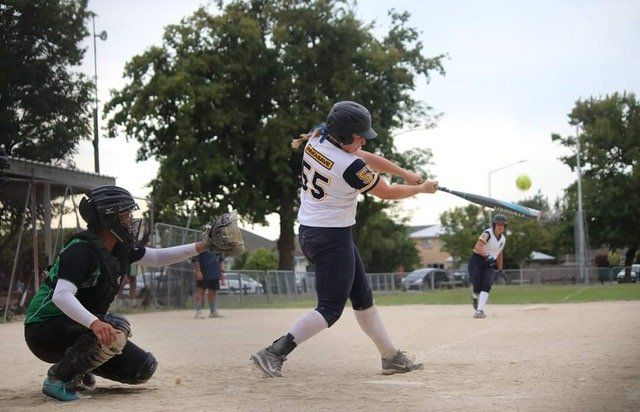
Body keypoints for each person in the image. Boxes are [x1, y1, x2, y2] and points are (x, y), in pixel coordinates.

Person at [251, 101, 438, 378]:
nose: (363, 139)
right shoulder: (349, 167)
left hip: (315, 231)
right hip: (330, 238)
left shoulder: (318, 137)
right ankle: (274, 352)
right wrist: (419, 188)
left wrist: (405, 172)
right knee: (329, 309)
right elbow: (385, 192)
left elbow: (361, 155)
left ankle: (390, 357)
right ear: (343, 136)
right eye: (359, 135)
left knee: (362, 298)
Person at [23, 185, 243, 401]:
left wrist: (204, 245)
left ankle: (76, 367)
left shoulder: (119, 249)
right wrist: (95, 323)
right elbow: (61, 295)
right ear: (109, 218)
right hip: (43, 329)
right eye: (126, 214)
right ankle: (58, 378)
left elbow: (156, 258)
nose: (131, 220)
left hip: (74, 328)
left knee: (143, 368)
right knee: (116, 328)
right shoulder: (81, 249)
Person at [469, 214, 507, 318]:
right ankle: (475, 297)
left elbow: (499, 254)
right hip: (477, 260)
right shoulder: (487, 233)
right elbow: (477, 246)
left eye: (503, 225)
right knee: (477, 285)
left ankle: (480, 311)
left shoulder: (503, 239)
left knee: (487, 284)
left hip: (489, 263)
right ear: (494, 225)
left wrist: (500, 270)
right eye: (498, 224)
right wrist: (486, 255)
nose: (500, 226)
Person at [193, 250, 224, 318]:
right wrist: (198, 271)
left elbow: (220, 260)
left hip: (215, 273)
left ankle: (213, 312)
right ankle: (199, 312)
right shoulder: (202, 244)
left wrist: (221, 272)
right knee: (201, 292)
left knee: (213, 293)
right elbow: (196, 259)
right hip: (204, 273)